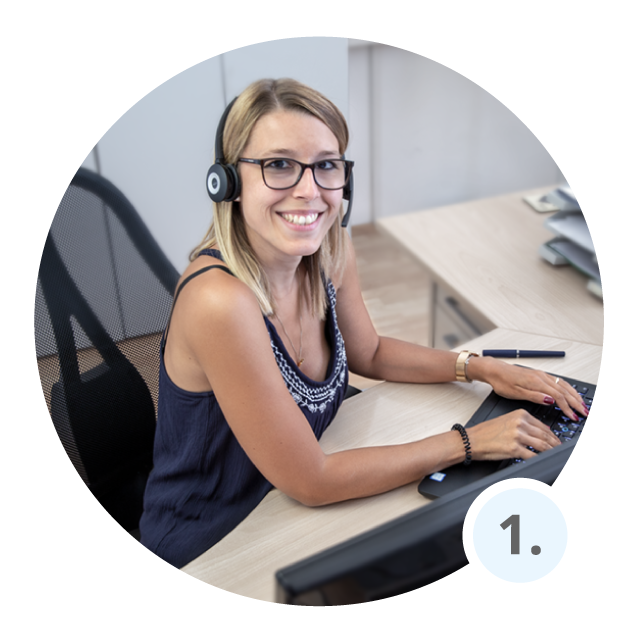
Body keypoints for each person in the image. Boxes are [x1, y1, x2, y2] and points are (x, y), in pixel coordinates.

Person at [139, 78, 588, 568]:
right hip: (216, 538)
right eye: (279, 165)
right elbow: (311, 481)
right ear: (227, 182)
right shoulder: (220, 302)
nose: (309, 191)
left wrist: (479, 368)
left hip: (297, 502)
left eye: (326, 165)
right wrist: (468, 442)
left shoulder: (329, 250)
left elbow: (369, 352)